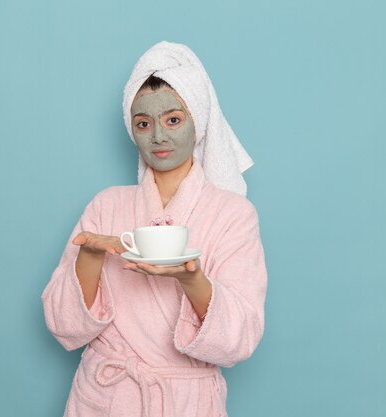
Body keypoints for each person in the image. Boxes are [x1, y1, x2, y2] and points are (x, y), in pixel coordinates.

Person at [41, 41, 267, 417]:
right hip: (106, 397)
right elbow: (63, 327)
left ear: (199, 120)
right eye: (144, 123)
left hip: (186, 402)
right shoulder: (106, 205)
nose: (158, 136)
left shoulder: (234, 214)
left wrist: (192, 279)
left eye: (173, 119)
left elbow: (238, 341)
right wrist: (91, 257)